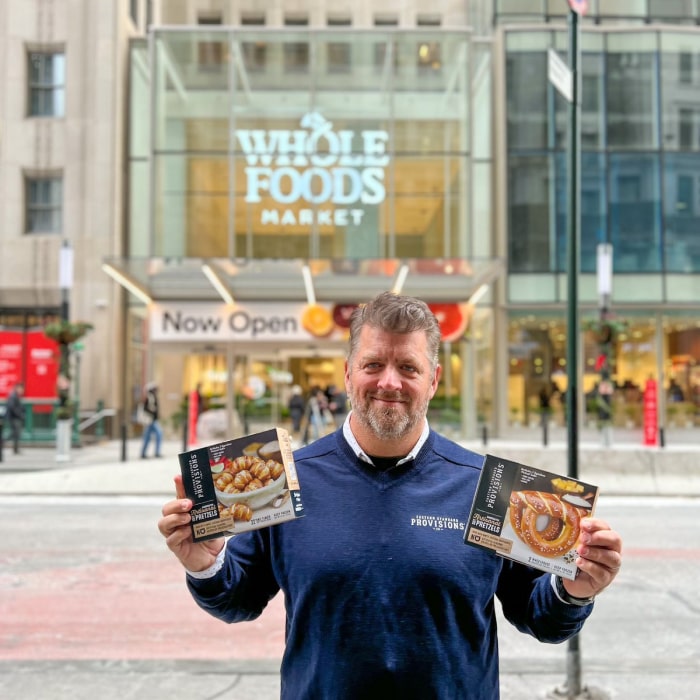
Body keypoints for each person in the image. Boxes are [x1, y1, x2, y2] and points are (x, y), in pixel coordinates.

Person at [158, 292, 623, 699]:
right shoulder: (282, 481)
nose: (389, 383)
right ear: (346, 374)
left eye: (408, 367)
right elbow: (238, 599)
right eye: (373, 364)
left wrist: (572, 591)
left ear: (434, 380)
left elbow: (539, 617)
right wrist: (205, 563)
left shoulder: (490, 489)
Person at [140, 382, 163, 459]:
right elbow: (145, 408)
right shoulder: (149, 397)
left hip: (152, 420)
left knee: (147, 437)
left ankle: (143, 453)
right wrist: (153, 411)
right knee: (159, 434)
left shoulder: (153, 396)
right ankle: (156, 452)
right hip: (151, 421)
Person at [5, 382, 26, 454]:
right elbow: (12, 407)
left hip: (15, 417)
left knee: (15, 434)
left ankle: (15, 449)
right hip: (14, 418)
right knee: (14, 433)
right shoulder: (13, 396)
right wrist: (20, 415)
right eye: (21, 389)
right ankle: (3, 442)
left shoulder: (15, 395)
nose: (22, 391)